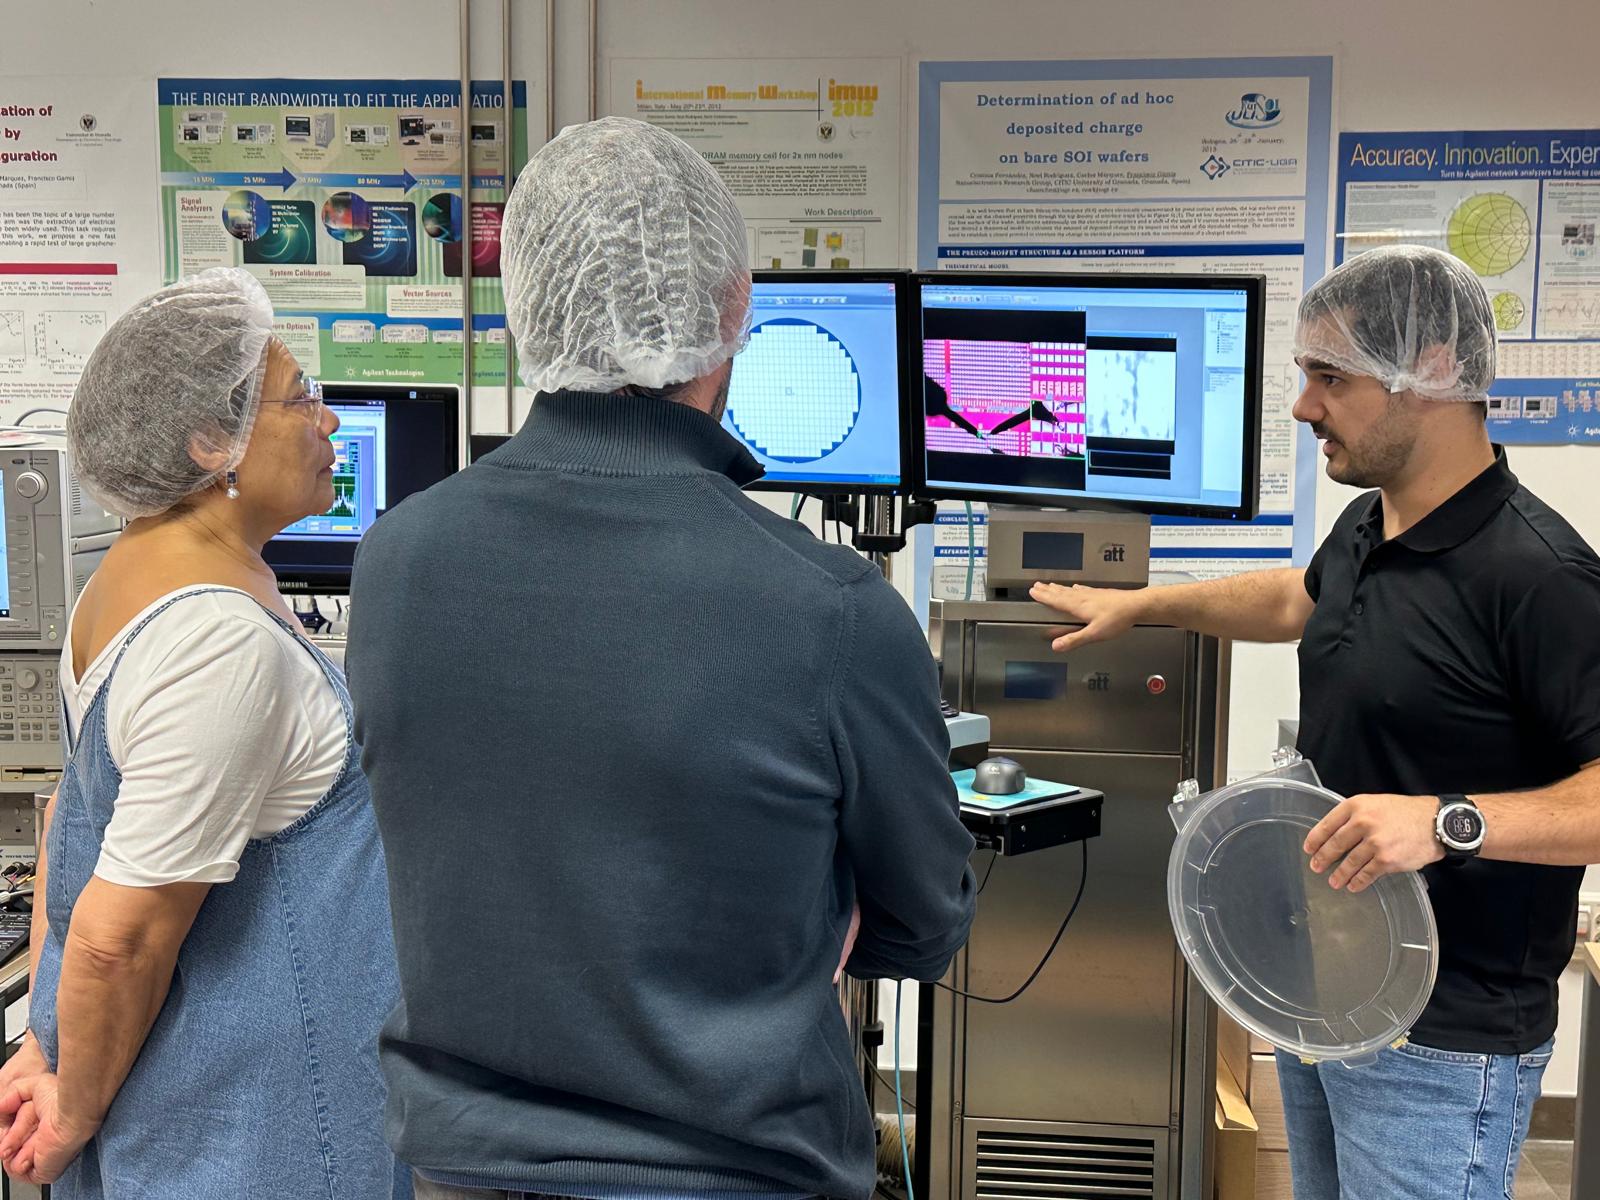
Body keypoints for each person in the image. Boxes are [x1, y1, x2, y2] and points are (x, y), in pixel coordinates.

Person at [347, 116, 976, 1200]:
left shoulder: (396, 558)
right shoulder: (832, 609)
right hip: (729, 1171)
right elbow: (922, 923)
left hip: (460, 1169)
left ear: (525, 305)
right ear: (734, 309)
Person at [1030, 245, 1600, 1199]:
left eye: (1329, 379)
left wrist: (1443, 821)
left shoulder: (1541, 576)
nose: (1303, 407)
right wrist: (1146, 606)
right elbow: (1300, 598)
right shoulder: (1372, 526)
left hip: (1447, 1044)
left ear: (1431, 375)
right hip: (1326, 999)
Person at [0, 269, 405, 1197]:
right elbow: (118, 937)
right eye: (302, 396)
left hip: (192, 1114)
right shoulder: (215, 639)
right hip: (257, 1136)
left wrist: (48, 1040)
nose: (329, 421)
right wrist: (71, 1107)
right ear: (209, 440)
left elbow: (75, 817)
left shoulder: (135, 582)